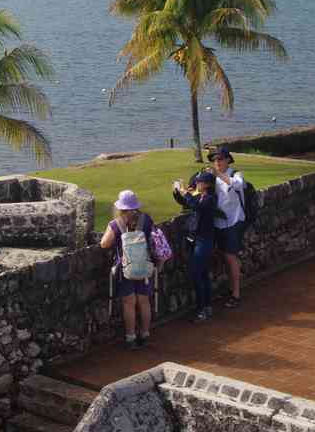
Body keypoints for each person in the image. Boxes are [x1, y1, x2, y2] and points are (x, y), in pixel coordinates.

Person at [100, 190, 164, 349]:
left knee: (129, 303)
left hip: (126, 269)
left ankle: (130, 338)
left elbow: (104, 243)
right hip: (145, 266)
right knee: (144, 301)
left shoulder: (116, 224)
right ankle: (145, 334)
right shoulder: (147, 220)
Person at [173, 171, 218, 322]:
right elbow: (186, 203)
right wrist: (178, 192)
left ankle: (202, 309)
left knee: (198, 274)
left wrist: (185, 193)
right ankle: (207, 306)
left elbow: (195, 205)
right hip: (197, 239)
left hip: (203, 241)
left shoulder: (210, 199)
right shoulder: (202, 197)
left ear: (207, 185)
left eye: (200, 182)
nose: (197, 183)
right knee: (202, 274)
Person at [208, 147, 246, 308]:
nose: (217, 162)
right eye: (215, 159)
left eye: (221, 159)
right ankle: (230, 288)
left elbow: (238, 185)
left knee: (231, 257)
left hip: (234, 221)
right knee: (225, 256)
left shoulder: (235, 174)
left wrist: (219, 175)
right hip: (218, 222)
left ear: (228, 160)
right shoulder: (212, 176)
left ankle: (236, 294)